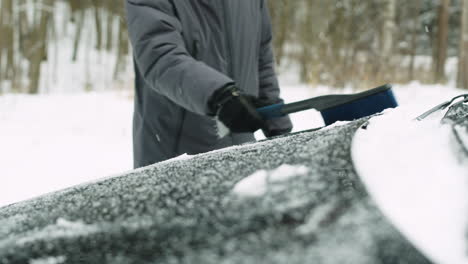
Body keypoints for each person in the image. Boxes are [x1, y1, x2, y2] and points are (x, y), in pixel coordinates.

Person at [126, 0, 292, 168]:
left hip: (243, 151)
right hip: (175, 159)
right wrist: (220, 96)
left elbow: (261, 55)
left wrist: (277, 121)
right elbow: (160, 56)